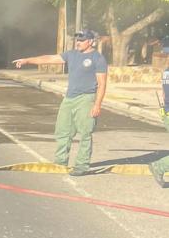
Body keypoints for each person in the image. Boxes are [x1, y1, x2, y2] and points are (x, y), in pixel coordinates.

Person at [12, 29, 107, 176]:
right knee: (63, 131)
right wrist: (27, 60)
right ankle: (60, 162)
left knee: (85, 133)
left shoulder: (98, 58)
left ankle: (82, 165)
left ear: (90, 42)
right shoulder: (71, 54)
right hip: (69, 98)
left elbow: (102, 84)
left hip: (86, 98)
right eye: (77, 40)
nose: (78, 42)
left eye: (82, 40)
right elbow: (49, 58)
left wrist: (97, 105)